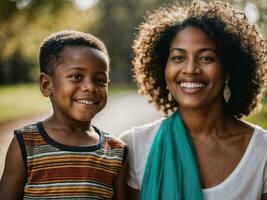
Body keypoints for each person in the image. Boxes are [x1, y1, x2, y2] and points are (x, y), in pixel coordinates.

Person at [120, 0, 267, 199]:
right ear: (163, 69)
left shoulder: (262, 151)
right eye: (178, 58)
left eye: (206, 58)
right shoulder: (135, 146)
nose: (190, 69)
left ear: (228, 71)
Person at [0, 30, 128, 199]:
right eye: (76, 76)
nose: (90, 87)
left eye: (100, 80)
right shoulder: (26, 143)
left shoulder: (116, 152)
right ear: (47, 85)